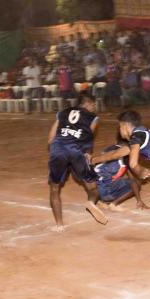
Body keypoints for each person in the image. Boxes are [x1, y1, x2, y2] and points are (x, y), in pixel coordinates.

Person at [47, 92, 107, 231]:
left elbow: (51, 137)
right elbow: (88, 136)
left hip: (58, 149)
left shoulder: (62, 112)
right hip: (76, 151)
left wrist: (55, 150)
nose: (94, 108)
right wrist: (88, 155)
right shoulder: (93, 117)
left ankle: (59, 225)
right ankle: (91, 203)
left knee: (54, 189)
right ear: (88, 103)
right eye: (93, 105)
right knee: (92, 188)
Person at [91, 139, 149, 211]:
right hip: (107, 193)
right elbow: (133, 180)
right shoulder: (125, 154)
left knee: (111, 179)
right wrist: (139, 200)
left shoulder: (109, 149)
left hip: (96, 193)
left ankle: (103, 201)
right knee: (136, 182)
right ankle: (114, 204)